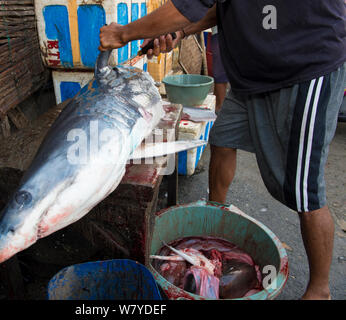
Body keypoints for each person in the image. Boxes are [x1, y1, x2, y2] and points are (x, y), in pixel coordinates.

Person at [99, 1, 346, 300]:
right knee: (223, 137)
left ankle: (320, 289)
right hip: (252, 76)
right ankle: (215, 221)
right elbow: (220, 8)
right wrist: (179, 31)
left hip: (304, 67)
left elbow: (188, 4)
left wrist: (124, 33)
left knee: (304, 191)